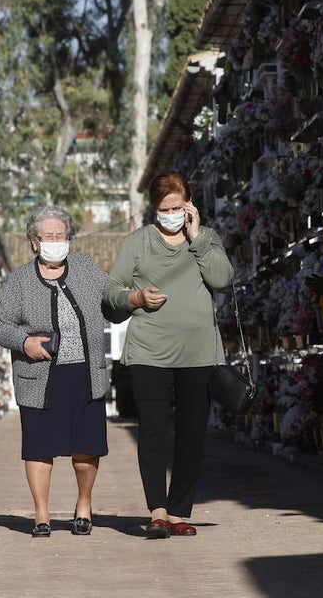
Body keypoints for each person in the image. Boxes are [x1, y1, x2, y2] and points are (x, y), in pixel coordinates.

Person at [103, 171, 234, 538]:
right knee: (153, 432)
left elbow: (223, 279)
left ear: (189, 205)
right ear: (154, 209)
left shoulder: (207, 239)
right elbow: (111, 290)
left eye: (178, 207)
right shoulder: (139, 242)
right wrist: (136, 297)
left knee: (192, 433)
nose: (172, 214)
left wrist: (197, 238)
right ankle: (157, 511)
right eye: (165, 208)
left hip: (199, 353)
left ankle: (179, 512)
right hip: (149, 352)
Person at [0, 205, 112, 538]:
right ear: (34, 241)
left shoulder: (85, 268)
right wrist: (24, 341)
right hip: (40, 377)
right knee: (40, 448)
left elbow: (111, 300)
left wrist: (135, 298)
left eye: (61, 236)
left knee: (87, 447)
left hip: (85, 374)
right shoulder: (19, 281)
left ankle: (84, 505)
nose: (56, 242)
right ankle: (41, 514)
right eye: (49, 236)